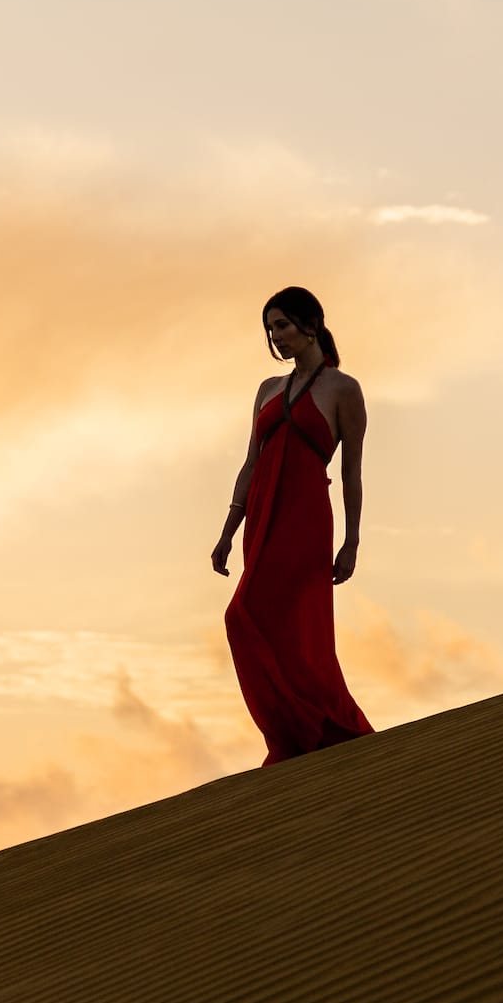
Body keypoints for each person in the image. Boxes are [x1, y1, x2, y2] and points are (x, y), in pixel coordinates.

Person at [212, 287, 376, 765]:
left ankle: (316, 725)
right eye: (270, 329)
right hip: (263, 514)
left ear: (310, 324)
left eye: (281, 325)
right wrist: (228, 530)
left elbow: (351, 473)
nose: (276, 337)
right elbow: (249, 464)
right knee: (255, 620)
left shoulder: (344, 389)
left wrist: (352, 542)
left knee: (267, 621)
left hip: (305, 517)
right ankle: (293, 732)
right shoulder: (267, 389)